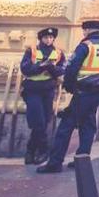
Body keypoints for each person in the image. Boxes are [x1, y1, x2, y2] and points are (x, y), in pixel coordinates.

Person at [37, 19, 99, 173]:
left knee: (66, 126)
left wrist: (69, 85)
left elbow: (72, 68)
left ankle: (54, 163)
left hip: (82, 90)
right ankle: (82, 159)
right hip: (98, 90)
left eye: (84, 30)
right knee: (88, 124)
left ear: (86, 30)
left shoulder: (85, 46)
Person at [19, 26, 66, 165]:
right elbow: (25, 68)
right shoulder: (32, 51)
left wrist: (51, 68)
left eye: (51, 38)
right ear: (41, 38)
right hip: (32, 90)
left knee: (45, 121)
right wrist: (40, 66)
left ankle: (30, 151)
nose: (49, 40)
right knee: (37, 121)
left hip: (48, 90)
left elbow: (62, 69)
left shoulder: (58, 52)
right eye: (46, 37)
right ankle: (44, 150)